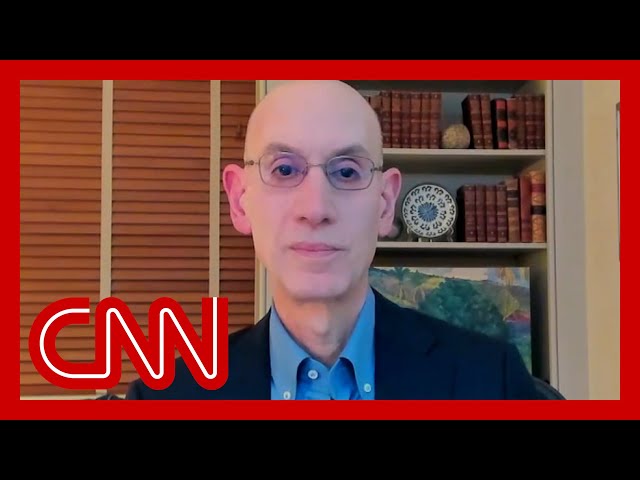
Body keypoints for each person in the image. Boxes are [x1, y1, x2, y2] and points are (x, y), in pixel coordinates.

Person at [125, 80, 542, 400]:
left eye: (346, 172)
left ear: (385, 204)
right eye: (284, 170)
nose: (315, 208)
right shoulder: (164, 398)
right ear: (240, 200)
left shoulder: (493, 381)